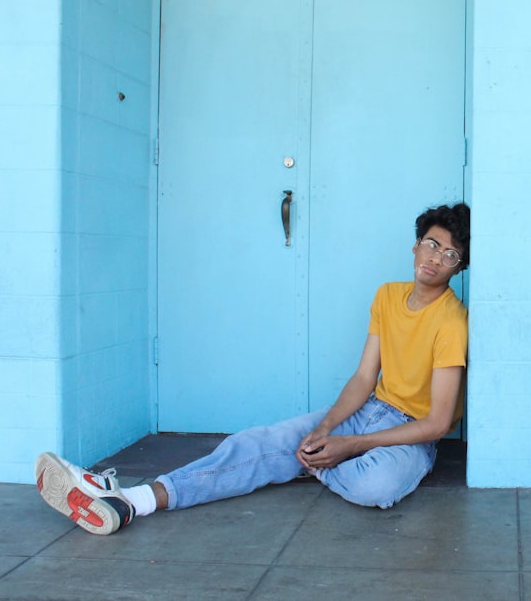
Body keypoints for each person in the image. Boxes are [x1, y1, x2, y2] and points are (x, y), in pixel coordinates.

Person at [35, 202, 471, 536]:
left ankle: (300, 462)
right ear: (416, 244)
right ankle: (131, 499)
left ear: (459, 267)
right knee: (258, 442)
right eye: (431, 244)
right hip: (368, 410)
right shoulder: (387, 296)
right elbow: (363, 379)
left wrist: (352, 444)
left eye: (450, 255)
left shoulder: (452, 321)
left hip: (410, 435)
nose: (435, 258)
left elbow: (435, 423)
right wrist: (328, 430)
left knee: (375, 487)